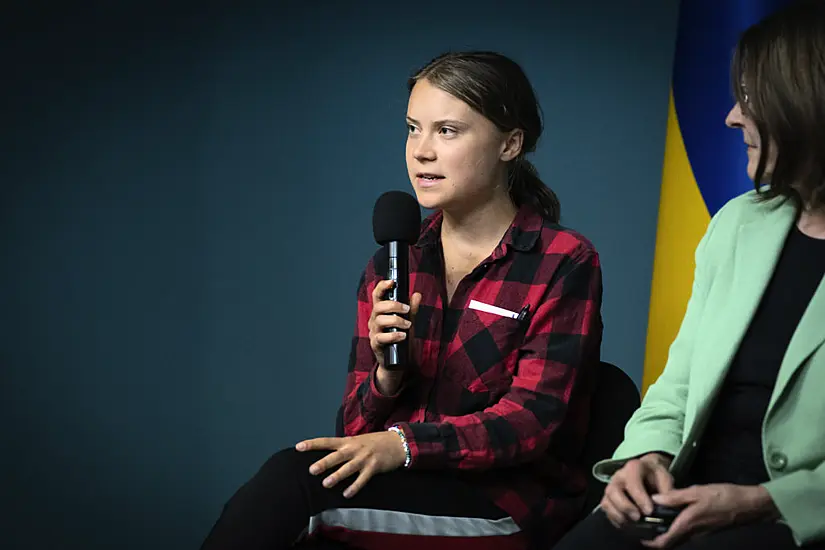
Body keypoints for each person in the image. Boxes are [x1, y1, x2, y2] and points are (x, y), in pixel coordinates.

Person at [199, 51, 603, 550]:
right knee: (309, 495)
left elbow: (532, 422)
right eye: (414, 128)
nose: (421, 152)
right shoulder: (392, 262)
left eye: (448, 131)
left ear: (510, 143)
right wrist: (386, 377)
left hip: (504, 509)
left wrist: (404, 444)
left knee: (297, 487)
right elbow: (353, 432)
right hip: (408, 489)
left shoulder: (562, 260)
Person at [553, 2, 825, 549]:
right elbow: (677, 387)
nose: (731, 116)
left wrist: (767, 501)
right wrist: (642, 457)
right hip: (682, 497)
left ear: (805, 106)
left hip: (791, 522)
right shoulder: (737, 223)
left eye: (750, 99)